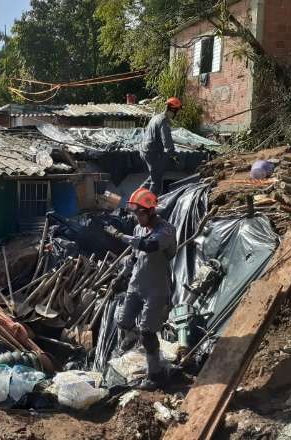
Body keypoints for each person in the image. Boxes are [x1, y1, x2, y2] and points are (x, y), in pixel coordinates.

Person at [104, 188, 177, 390]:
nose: (137, 218)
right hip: (137, 284)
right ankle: (136, 338)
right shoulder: (138, 229)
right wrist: (122, 275)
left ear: (151, 211)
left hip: (156, 288)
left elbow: (149, 246)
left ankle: (155, 375)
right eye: (135, 214)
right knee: (123, 321)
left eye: (140, 214)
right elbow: (136, 256)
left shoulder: (166, 230)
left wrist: (120, 236)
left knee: (148, 332)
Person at [140, 97, 182, 196]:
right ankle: (148, 206)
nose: (178, 114)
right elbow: (167, 142)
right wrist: (174, 155)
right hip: (151, 153)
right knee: (156, 182)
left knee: (154, 176)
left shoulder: (156, 117)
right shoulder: (164, 121)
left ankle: (135, 200)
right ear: (173, 110)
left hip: (145, 150)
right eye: (178, 111)